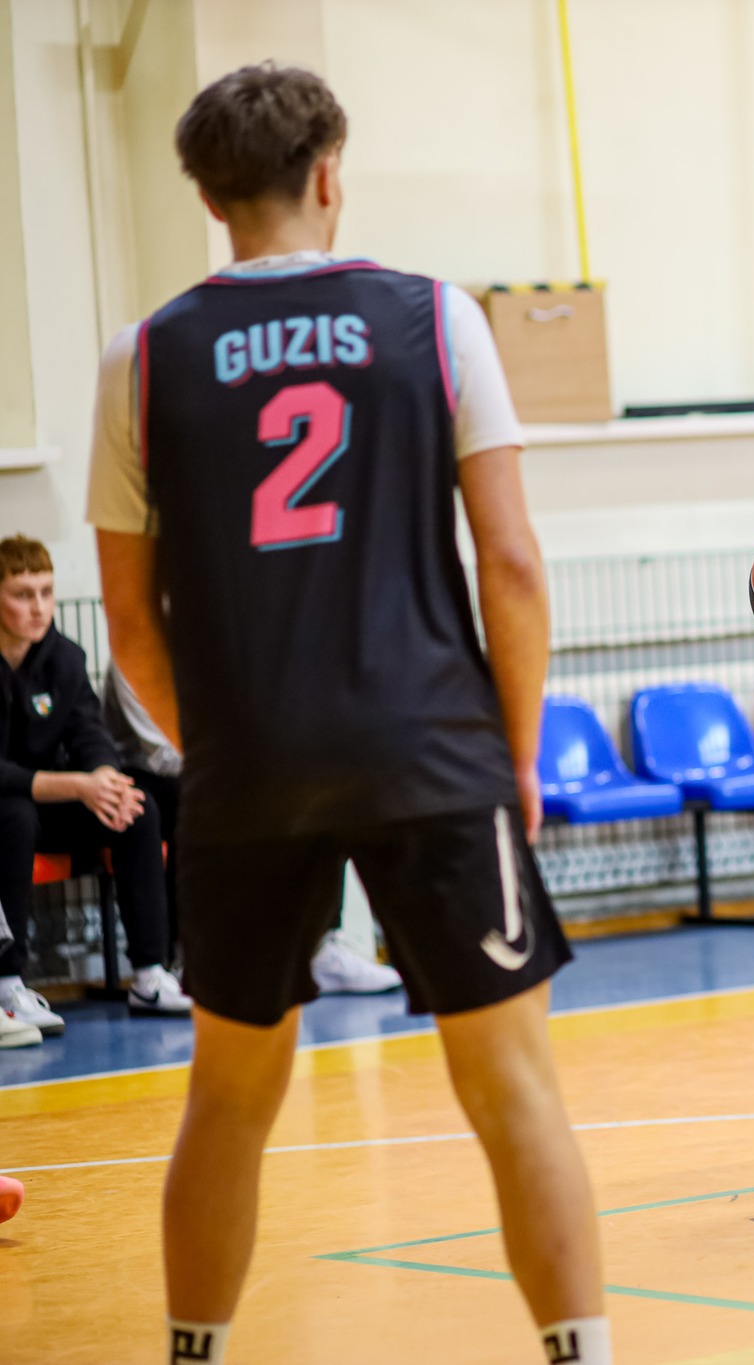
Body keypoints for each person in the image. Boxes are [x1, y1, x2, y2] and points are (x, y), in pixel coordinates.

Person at [88, 65, 608, 1365]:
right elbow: (512, 565)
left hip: (247, 766)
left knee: (227, 1101)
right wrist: (515, 754)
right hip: (428, 747)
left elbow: (132, 622)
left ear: (208, 199)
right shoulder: (434, 318)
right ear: (329, 174)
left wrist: (224, 751)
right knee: (514, 1092)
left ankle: (194, 1354)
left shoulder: (140, 358)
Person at [103, 661, 402, 996]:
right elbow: (159, 754)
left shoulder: (215, 649)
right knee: (193, 801)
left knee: (313, 786)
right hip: (148, 774)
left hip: (212, 768)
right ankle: (191, 959)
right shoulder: (132, 660)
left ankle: (321, 946)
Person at [0, 535, 190, 1037]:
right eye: (22, 595)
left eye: (46, 592)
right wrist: (77, 784)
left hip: (55, 800)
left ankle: (150, 974)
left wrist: (105, 778)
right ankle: (7, 985)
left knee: (137, 806)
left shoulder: (64, 656)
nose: (39, 607)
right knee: (15, 816)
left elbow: (90, 732)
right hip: (11, 806)